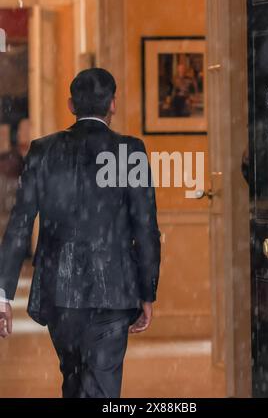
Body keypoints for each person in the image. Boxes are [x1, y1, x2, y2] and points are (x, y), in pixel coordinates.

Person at [0, 68, 161, 398]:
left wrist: (3, 293)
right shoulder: (129, 152)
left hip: (60, 294)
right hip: (115, 293)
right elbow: (145, 228)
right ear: (113, 104)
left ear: (71, 105)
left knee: (74, 382)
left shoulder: (43, 151)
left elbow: (19, 224)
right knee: (101, 388)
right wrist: (148, 292)